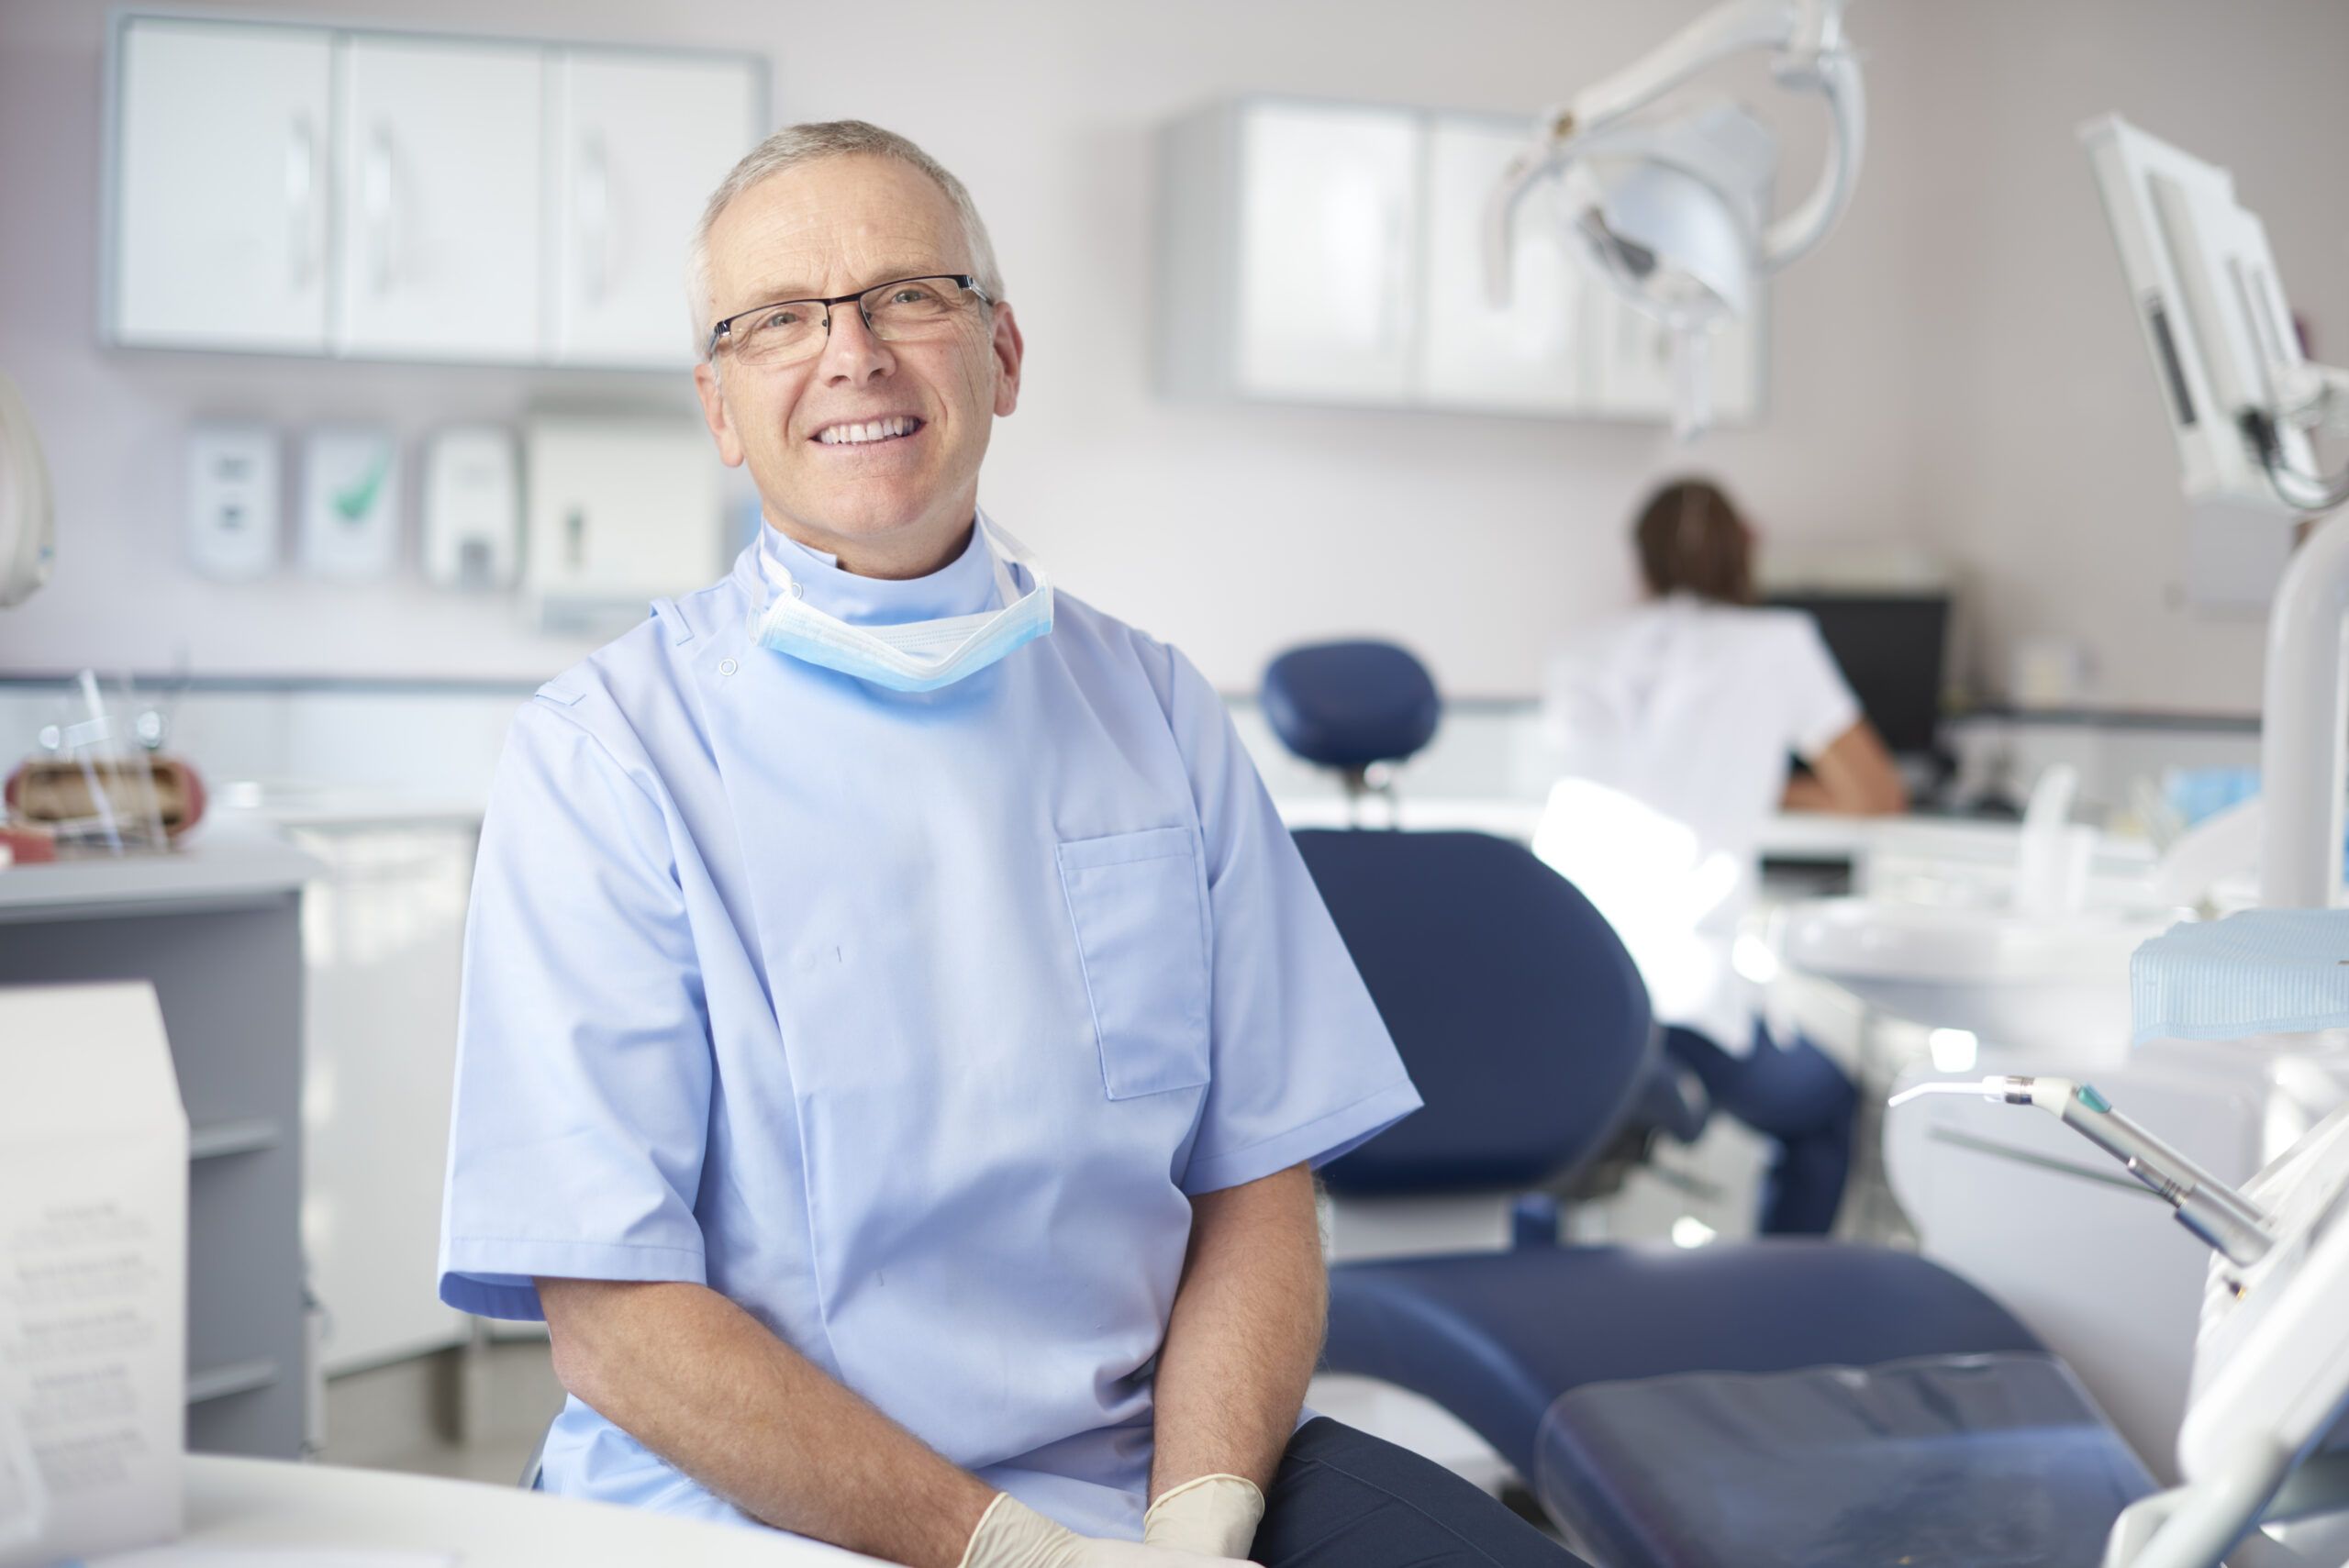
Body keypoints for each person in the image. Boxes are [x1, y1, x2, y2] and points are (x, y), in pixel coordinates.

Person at [438, 121, 1583, 1568]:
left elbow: (1257, 1187)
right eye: (780, 320)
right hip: (752, 1509)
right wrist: (1007, 1553)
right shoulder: (609, 754)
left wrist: (1200, 1519)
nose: (850, 354)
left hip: (1157, 1476)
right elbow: (613, 1320)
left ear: (1006, 355)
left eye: (909, 296)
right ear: (721, 408)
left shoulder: (1153, 711)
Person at [1540, 477, 1906, 1236]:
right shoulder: (1778, 645)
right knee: (1827, 1109)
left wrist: (1750, 785)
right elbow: (1876, 793)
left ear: (1640, 562)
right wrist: (1766, 784)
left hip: (1566, 982)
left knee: (1552, 1139)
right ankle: (1783, 1322)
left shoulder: (1584, 648)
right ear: (1747, 549)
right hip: (1680, 998)